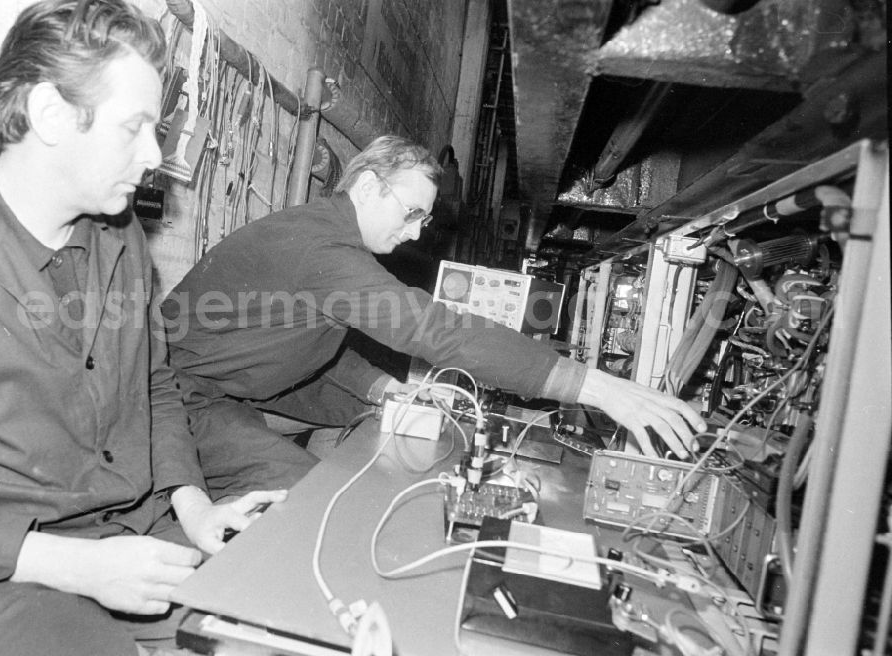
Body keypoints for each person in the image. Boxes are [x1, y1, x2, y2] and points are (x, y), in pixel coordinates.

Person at [0, 2, 285, 655]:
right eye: (133, 128)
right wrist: (73, 567)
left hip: (123, 535)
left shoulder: (120, 233)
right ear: (50, 115)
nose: (155, 154)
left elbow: (154, 384)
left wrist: (196, 510)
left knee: (281, 622)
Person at [160, 135, 706, 494]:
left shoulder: (326, 236)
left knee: (384, 419)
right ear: (370, 186)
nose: (419, 230)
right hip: (179, 394)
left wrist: (382, 390)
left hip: (240, 383)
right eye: (413, 212)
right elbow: (431, 329)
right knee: (311, 496)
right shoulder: (320, 250)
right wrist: (596, 388)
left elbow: (309, 345)